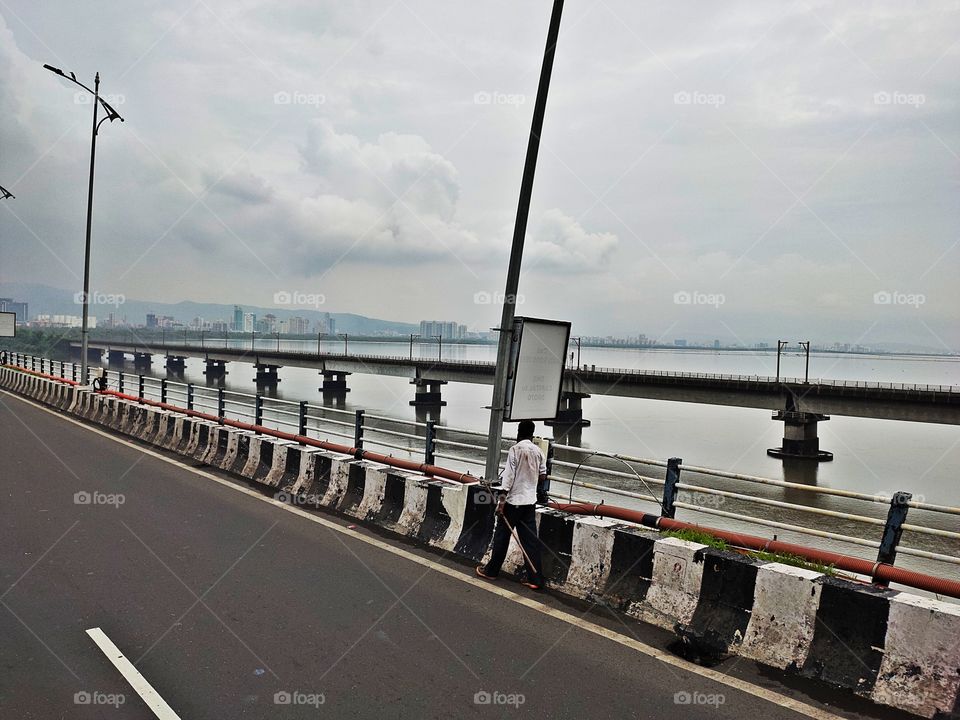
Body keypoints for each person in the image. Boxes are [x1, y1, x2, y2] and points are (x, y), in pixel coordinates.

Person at [476, 420, 546, 590]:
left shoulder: (515, 450)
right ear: (532, 434)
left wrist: (501, 504)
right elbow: (543, 476)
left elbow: (507, 480)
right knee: (530, 541)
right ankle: (536, 580)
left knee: (501, 537)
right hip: (530, 502)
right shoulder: (538, 451)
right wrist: (530, 480)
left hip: (513, 502)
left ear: (519, 432)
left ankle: (491, 571)